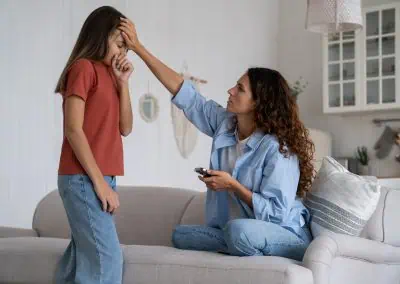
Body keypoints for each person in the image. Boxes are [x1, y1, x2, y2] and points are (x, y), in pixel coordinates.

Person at [119, 18, 315, 261]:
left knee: (238, 230)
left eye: (240, 89)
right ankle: (238, 245)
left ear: (259, 103)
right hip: (240, 230)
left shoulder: (278, 149)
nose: (230, 91)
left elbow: (276, 214)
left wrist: (232, 185)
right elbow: (185, 94)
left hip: (285, 234)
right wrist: (138, 48)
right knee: (181, 235)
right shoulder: (226, 125)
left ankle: (240, 243)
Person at [54, 6, 133, 283]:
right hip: (83, 178)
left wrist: (123, 84)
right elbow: (73, 130)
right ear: (101, 36)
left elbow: (126, 128)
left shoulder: (111, 75)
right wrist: (99, 183)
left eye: (126, 47)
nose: (122, 52)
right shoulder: (83, 68)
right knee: (107, 260)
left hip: (100, 178)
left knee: (83, 259)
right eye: (118, 43)